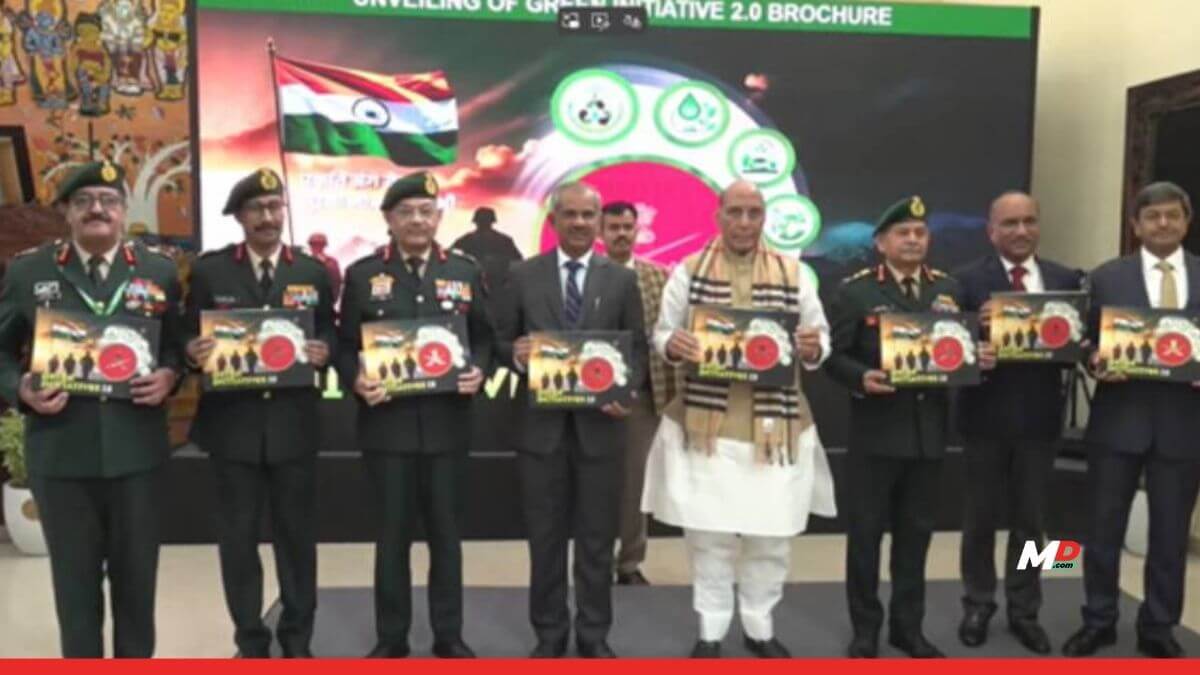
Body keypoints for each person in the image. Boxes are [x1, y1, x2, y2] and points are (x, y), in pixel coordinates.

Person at [641, 180, 836, 658]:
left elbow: (819, 336)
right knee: (708, 536)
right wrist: (674, 344)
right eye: (736, 212)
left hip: (777, 429)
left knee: (770, 537)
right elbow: (662, 332)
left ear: (764, 217)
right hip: (708, 427)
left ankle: (759, 625)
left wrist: (815, 348)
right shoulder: (688, 272)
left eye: (754, 212)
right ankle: (710, 630)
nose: (745, 222)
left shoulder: (795, 275)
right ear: (719, 216)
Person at [0, 160, 184, 657]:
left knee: (137, 589)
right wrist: (20, 389)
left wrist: (169, 375)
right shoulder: (28, 271)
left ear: (124, 211)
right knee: (75, 592)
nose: (97, 209)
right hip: (62, 457)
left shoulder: (158, 269)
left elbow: (176, 347)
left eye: (108, 200)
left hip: (137, 457)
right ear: (66, 212)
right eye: (83, 201)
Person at [824, 195, 995, 659]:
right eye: (903, 233)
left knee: (916, 538)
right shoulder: (854, 291)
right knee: (865, 538)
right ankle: (865, 629)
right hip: (876, 434)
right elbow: (831, 356)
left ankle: (908, 628)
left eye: (920, 233)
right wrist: (860, 377)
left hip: (928, 435)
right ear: (882, 242)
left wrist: (975, 358)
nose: (914, 239)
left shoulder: (947, 290)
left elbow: (957, 350)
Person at [338, 171, 493, 659]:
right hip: (388, 429)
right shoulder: (364, 275)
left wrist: (480, 372)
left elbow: (486, 337)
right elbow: (345, 347)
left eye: (426, 211)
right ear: (389, 219)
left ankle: (449, 635)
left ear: (439, 217)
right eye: (406, 212)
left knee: (447, 538)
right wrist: (354, 379)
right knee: (392, 541)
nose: (418, 220)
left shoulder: (465, 271)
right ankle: (392, 638)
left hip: (448, 427)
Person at [184, 168, 336, 658]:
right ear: (239, 217)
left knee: (297, 540)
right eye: (257, 209)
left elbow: (332, 332)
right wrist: (193, 350)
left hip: (294, 427)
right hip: (233, 428)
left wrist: (323, 351)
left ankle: (298, 640)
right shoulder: (210, 271)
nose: (268, 217)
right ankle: (250, 639)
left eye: (275, 207)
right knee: (238, 541)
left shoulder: (311, 270)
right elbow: (184, 336)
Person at [496, 182, 647, 658]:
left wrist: (628, 388)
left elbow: (637, 346)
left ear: (599, 223)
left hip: (601, 430)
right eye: (571, 215)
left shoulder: (621, 280)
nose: (580, 223)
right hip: (539, 433)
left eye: (588, 215)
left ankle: (593, 635)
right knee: (544, 542)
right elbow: (499, 339)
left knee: (598, 541)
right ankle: (549, 635)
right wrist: (515, 355)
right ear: (554, 220)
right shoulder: (523, 274)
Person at [1062, 181, 1200, 659]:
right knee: (1101, 530)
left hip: (1184, 426)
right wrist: (1094, 360)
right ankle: (1098, 619)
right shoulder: (1105, 278)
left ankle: (1158, 626)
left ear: (1187, 221)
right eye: (1153, 216)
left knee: (1169, 534)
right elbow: (1081, 340)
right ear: (1136, 224)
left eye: (1172, 216)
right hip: (1118, 421)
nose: (1163, 224)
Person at [952, 191, 1084, 654]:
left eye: (1029, 221)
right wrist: (976, 331)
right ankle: (978, 603)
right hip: (982, 421)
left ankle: (1026, 608)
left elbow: (1082, 347)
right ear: (992, 231)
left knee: (1034, 524)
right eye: (1010, 223)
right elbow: (945, 351)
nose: (1021, 230)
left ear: (1039, 226)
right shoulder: (966, 281)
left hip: (1042, 422)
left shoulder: (1066, 279)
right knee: (980, 521)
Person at [597, 200, 675, 586]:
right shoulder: (584, 275)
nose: (621, 233)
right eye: (613, 227)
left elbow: (667, 336)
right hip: (585, 397)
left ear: (637, 230)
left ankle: (629, 563)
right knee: (589, 482)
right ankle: (592, 560)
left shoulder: (659, 278)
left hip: (640, 399)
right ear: (601, 231)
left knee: (634, 485)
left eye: (628, 226)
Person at [451, 206, 523, 307]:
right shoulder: (504, 240)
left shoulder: (466, 240)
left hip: (495, 286)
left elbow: (518, 261)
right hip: (485, 287)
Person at [307, 232, 342, 302]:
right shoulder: (304, 261)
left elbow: (335, 288)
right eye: (314, 244)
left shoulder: (331, 263)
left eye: (319, 244)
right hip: (308, 304)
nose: (316, 247)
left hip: (324, 304)